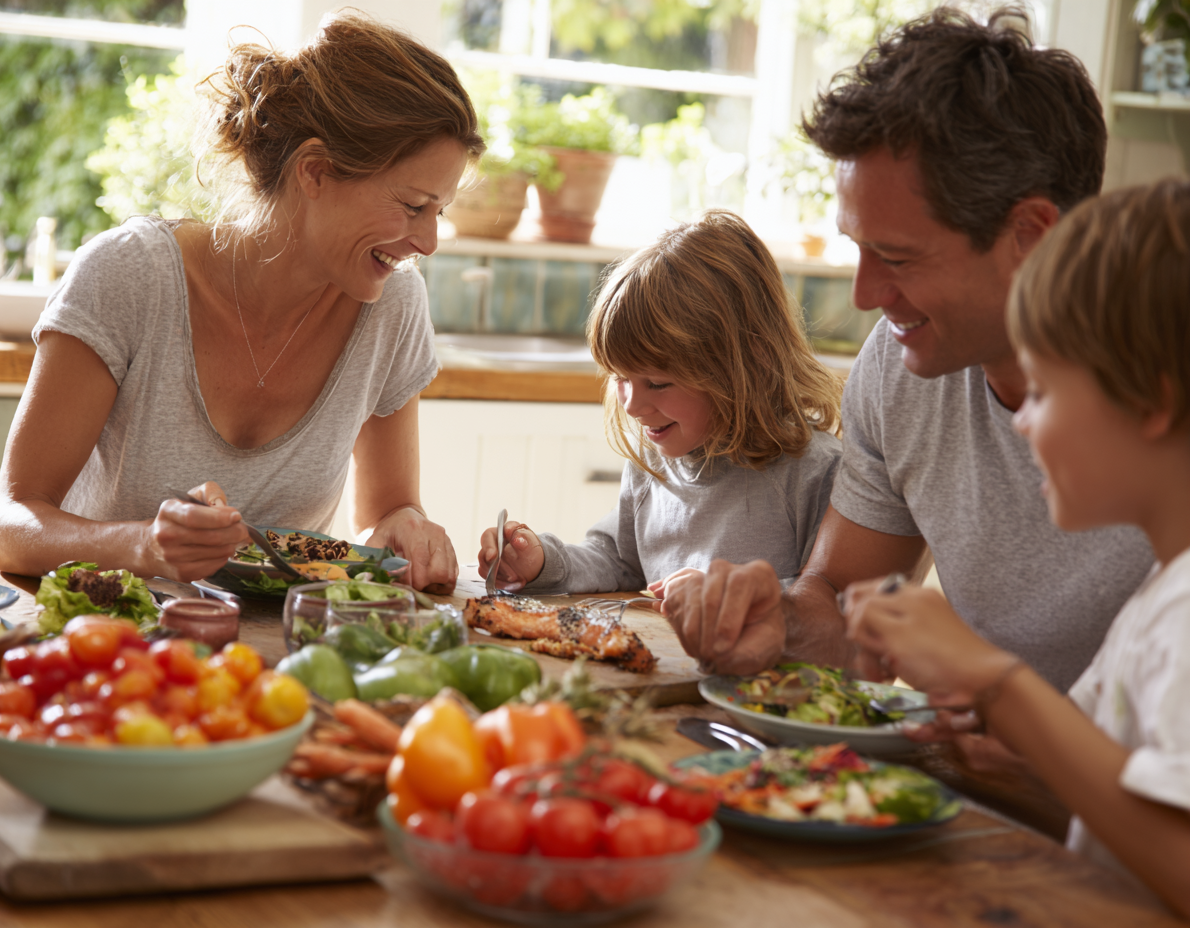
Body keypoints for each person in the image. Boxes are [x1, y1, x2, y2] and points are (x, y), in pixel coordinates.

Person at [656, 8, 1154, 692]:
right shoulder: (903, 364)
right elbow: (843, 603)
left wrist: (1019, 741)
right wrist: (782, 620)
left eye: (896, 256)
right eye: (858, 249)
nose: (865, 295)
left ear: (1031, 236)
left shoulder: (1164, 398)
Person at [0, 11, 484, 591]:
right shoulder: (131, 276)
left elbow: (385, 514)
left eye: (438, 212)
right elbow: (9, 526)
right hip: (110, 647)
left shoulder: (393, 305)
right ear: (316, 172)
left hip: (278, 660)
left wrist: (409, 527)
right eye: (413, 205)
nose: (428, 242)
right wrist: (143, 545)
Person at [845, 180, 1190, 914]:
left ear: (1152, 403)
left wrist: (998, 682)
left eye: (1041, 391)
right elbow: (1114, 804)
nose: (1022, 424)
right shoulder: (1160, 599)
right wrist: (993, 731)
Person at [475, 210, 842, 595]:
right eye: (620, 379)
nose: (632, 406)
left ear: (746, 364)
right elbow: (619, 560)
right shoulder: (652, 461)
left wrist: (731, 596)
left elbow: (831, 600)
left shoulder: (815, 473)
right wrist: (543, 563)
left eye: (657, 383)